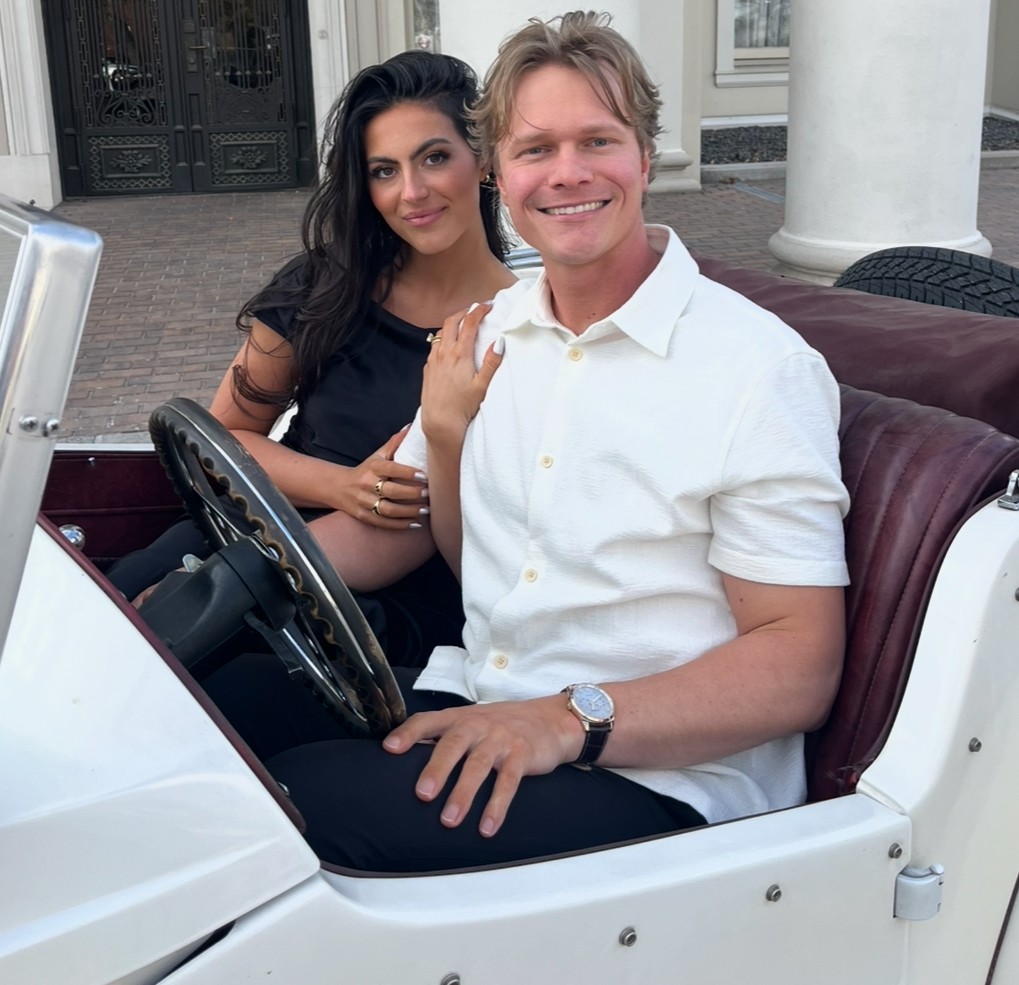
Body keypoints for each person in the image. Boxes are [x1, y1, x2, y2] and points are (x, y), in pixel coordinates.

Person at [254, 10, 851, 871]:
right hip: (489, 695)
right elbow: (451, 550)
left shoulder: (757, 369)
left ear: (644, 155)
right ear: (498, 172)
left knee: (280, 815)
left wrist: (567, 718)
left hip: (663, 774)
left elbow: (798, 666)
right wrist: (222, 579)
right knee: (222, 723)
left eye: (597, 141)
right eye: (535, 149)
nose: (567, 173)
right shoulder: (490, 330)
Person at [107, 50, 524, 663]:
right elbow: (225, 437)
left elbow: (449, 519)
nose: (411, 192)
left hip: (379, 600)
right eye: (384, 170)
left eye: (435, 157)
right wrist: (342, 485)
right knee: (96, 618)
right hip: (253, 521)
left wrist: (237, 582)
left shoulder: (519, 330)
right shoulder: (323, 286)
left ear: (483, 158)